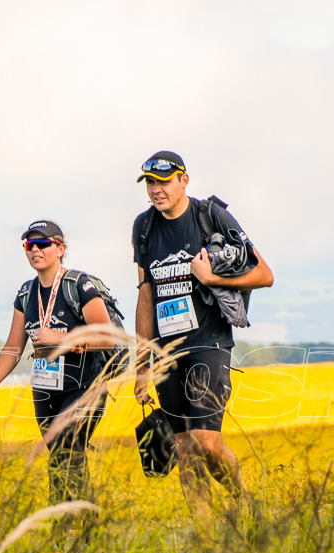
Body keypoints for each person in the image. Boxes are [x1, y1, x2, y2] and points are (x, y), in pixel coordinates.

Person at [131, 151, 274, 526]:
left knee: (207, 442)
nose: (156, 190)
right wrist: (142, 364)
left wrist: (212, 279)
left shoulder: (210, 216)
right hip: (166, 351)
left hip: (208, 343)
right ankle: (206, 539)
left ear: (184, 180)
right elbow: (145, 295)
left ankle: (246, 504)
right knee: (184, 449)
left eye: (164, 181)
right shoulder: (143, 227)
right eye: (150, 183)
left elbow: (265, 274)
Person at [0, 220, 116, 506]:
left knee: (66, 444)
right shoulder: (26, 293)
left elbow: (107, 338)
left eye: (43, 244)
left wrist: (61, 339)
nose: (35, 250)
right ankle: (80, 527)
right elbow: (14, 346)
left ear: (60, 248)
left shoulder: (78, 285)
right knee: (60, 453)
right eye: (29, 245)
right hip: (45, 389)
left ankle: (68, 527)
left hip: (85, 386)